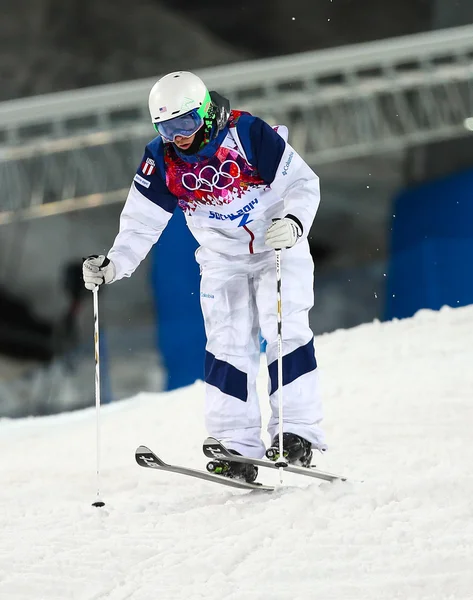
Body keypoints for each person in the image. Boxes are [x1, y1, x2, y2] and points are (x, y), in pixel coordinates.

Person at [83, 71, 326, 482]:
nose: (177, 136)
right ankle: (235, 443)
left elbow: (303, 182)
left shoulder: (247, 133)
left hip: (276, 245)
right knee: (227, 342)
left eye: (185, 123)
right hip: (221, 259)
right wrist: (113, 265)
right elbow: (140, 225)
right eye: (166, 127)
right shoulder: (160, 159)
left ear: (205, 113)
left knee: (281, 326)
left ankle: (296, 433)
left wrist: (294, 221)